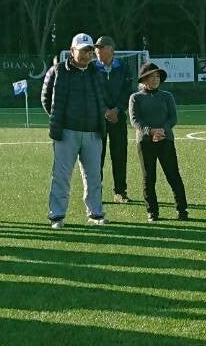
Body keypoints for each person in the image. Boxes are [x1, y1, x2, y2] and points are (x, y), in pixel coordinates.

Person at [40, 33, 114, 227]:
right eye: (83, 50)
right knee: (61, 176)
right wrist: (60, 120)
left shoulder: (96, 72)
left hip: (93, 133)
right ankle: (57, 216)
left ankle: (95, 214)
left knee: (94, 176)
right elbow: (46, 99)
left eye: (89, 50)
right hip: (66, 133)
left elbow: (101, 98)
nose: (87, 54)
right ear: (72, 51)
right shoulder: (57, 71)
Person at [129, 62, 189, 222]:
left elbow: (173, 118)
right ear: (144, 80)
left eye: (157, 76)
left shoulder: (167, 96)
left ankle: (182, 209)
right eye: (151, 76)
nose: (155, 79)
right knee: (149, 178)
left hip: (165, 140)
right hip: (145, 142)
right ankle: (152, 212)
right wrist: (150, 131)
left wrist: (162, 130)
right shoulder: (135, 98)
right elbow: (135, 120)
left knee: (173, 175)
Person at [94, 36, 134, 203]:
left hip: (118, 117)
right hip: (98, 118)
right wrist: (105, 111)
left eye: (100, 47)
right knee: (96, 156)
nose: (97, 50)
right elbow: (92, 92)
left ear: (110, 49)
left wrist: (117, 110)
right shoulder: (91, 68)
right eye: (96, 48)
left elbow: (128, 91)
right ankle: (95, 192)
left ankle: (120, 192)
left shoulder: (123, 67)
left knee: (119, 154)